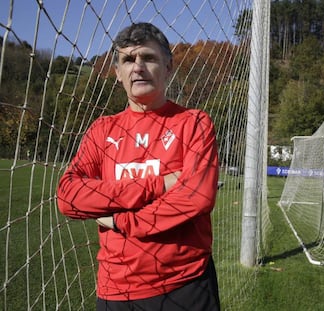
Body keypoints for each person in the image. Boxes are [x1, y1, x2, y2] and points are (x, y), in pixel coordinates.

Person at [57, 22, 220, 310]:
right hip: (115, 287)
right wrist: (160, 183)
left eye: (148, 57)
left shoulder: (194, 122)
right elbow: (68, 196)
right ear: (118, 73)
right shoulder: (102, 130)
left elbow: (196, 197)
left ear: (168, 67)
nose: (138, 67)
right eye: (128, 60)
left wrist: (122, 221)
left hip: (185, 282)